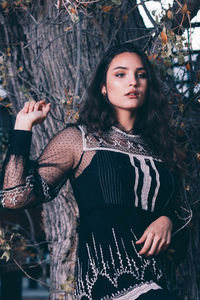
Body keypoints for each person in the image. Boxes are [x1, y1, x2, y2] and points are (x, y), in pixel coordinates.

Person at [0, 43, 191, 300]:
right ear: (103, 87)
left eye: (141, 74)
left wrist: (167, 220)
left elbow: (183, 211)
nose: (132, 82)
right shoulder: (81, 140)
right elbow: (14, 197)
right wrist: (22, 128)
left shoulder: (163, 147)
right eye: (120, 74)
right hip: (108, 285)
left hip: (157, 281)